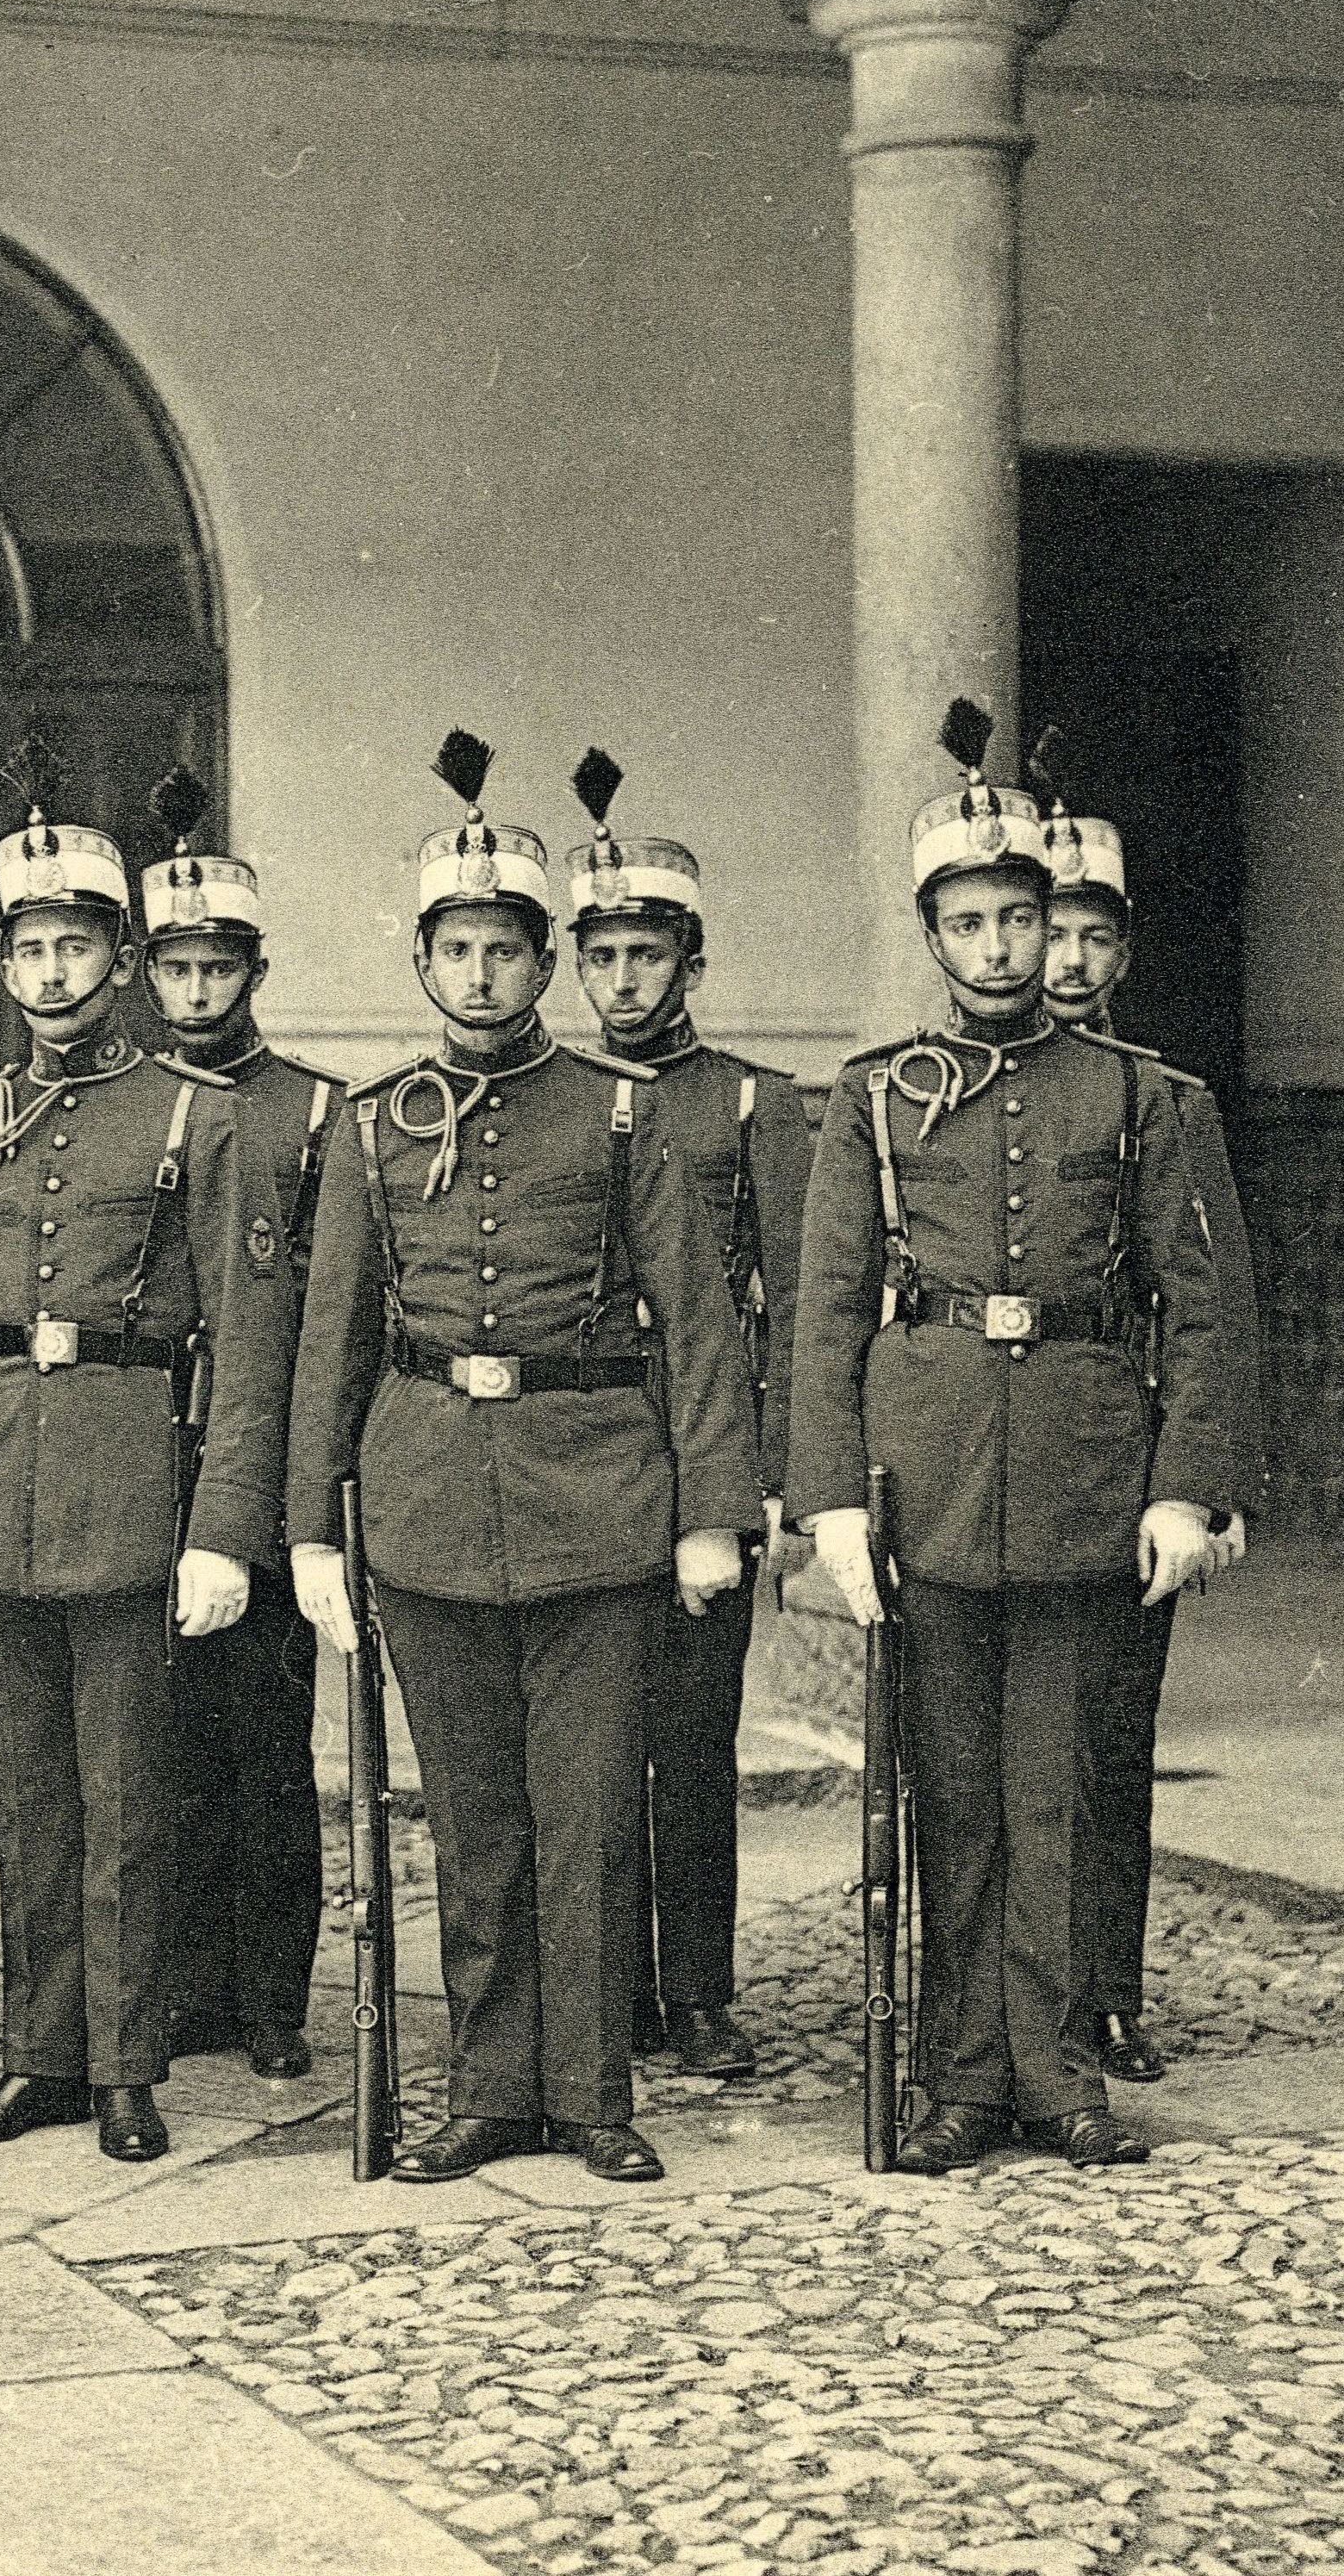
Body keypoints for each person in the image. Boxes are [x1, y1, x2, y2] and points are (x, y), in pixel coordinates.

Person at [285, 735, 763, 2188]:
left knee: (589, 1817)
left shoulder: (620, 1113)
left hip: (599, 1504)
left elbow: (694, 1319)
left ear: (546, 959)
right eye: (458, 949)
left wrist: (710, 1513)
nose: (482, 974)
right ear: (422, 962)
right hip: (429, 1504)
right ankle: (493, 2088)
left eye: (506, 948)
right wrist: (312, 1526)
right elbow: (334, 1340)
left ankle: (592, 2091)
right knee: (476, 1822)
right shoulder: (373, 1130)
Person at [793, 705, 1260, 2173]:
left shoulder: (1140, 1095)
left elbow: (1204, 1304)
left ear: (1051, 923)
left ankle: (1061, 2073)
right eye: (969, 924)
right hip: (927, 1473)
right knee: (955, 1792)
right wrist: (832, 1507)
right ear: (932, 934)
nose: (999, 948)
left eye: (1019, 920)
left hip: (1077, 1470)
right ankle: (962, 2076)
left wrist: (1187, 1486)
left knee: (1055, 1787)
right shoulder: (873, 1097)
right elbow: (823, 1312)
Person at [0, 756, 285, 2163]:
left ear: (122, 961)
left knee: (128, 1798)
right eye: (31, 949)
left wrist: (226, 1529)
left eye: (77, 946)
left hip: (131, 1481)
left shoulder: (199, 1114)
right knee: (29, 1797)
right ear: (5, 964)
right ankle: (41, 2053)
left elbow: (248, 1346)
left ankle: (127, 2059)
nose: (53, 972)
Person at [559, 750, 802, 2085]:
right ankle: (613, 1989)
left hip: (704, 1443)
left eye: (647, 956)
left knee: (695, 1740)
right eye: (601, 959)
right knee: (601, 1732)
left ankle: (697, 1986)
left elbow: (801, 1296)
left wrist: (762, 1474)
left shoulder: (752, 1101)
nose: (625, 983)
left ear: (690, 962)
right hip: (591, 1448)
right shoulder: (568, 1101)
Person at [1030, 747, 1252, 2087]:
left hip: (1125, 1461)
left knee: (1113, 1741)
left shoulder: (1169, 1102)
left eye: (1089, 935)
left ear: (1123, 952)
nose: (1064, 960)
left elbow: (1215, 1308)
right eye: (1046, 932)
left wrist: (1205, 1483)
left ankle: (1107, 1986)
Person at [140, 764, 338, 2084]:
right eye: (177, 969)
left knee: (266, 1749)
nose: (199, 991)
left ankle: (273, 1994)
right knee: (154, 1746)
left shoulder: (315, 1110)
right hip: (139, 1458)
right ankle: (177, 1985)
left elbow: (328, 1316)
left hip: (259, 1459)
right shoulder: (110, 1104)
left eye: (220, 967)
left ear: (256, 968)